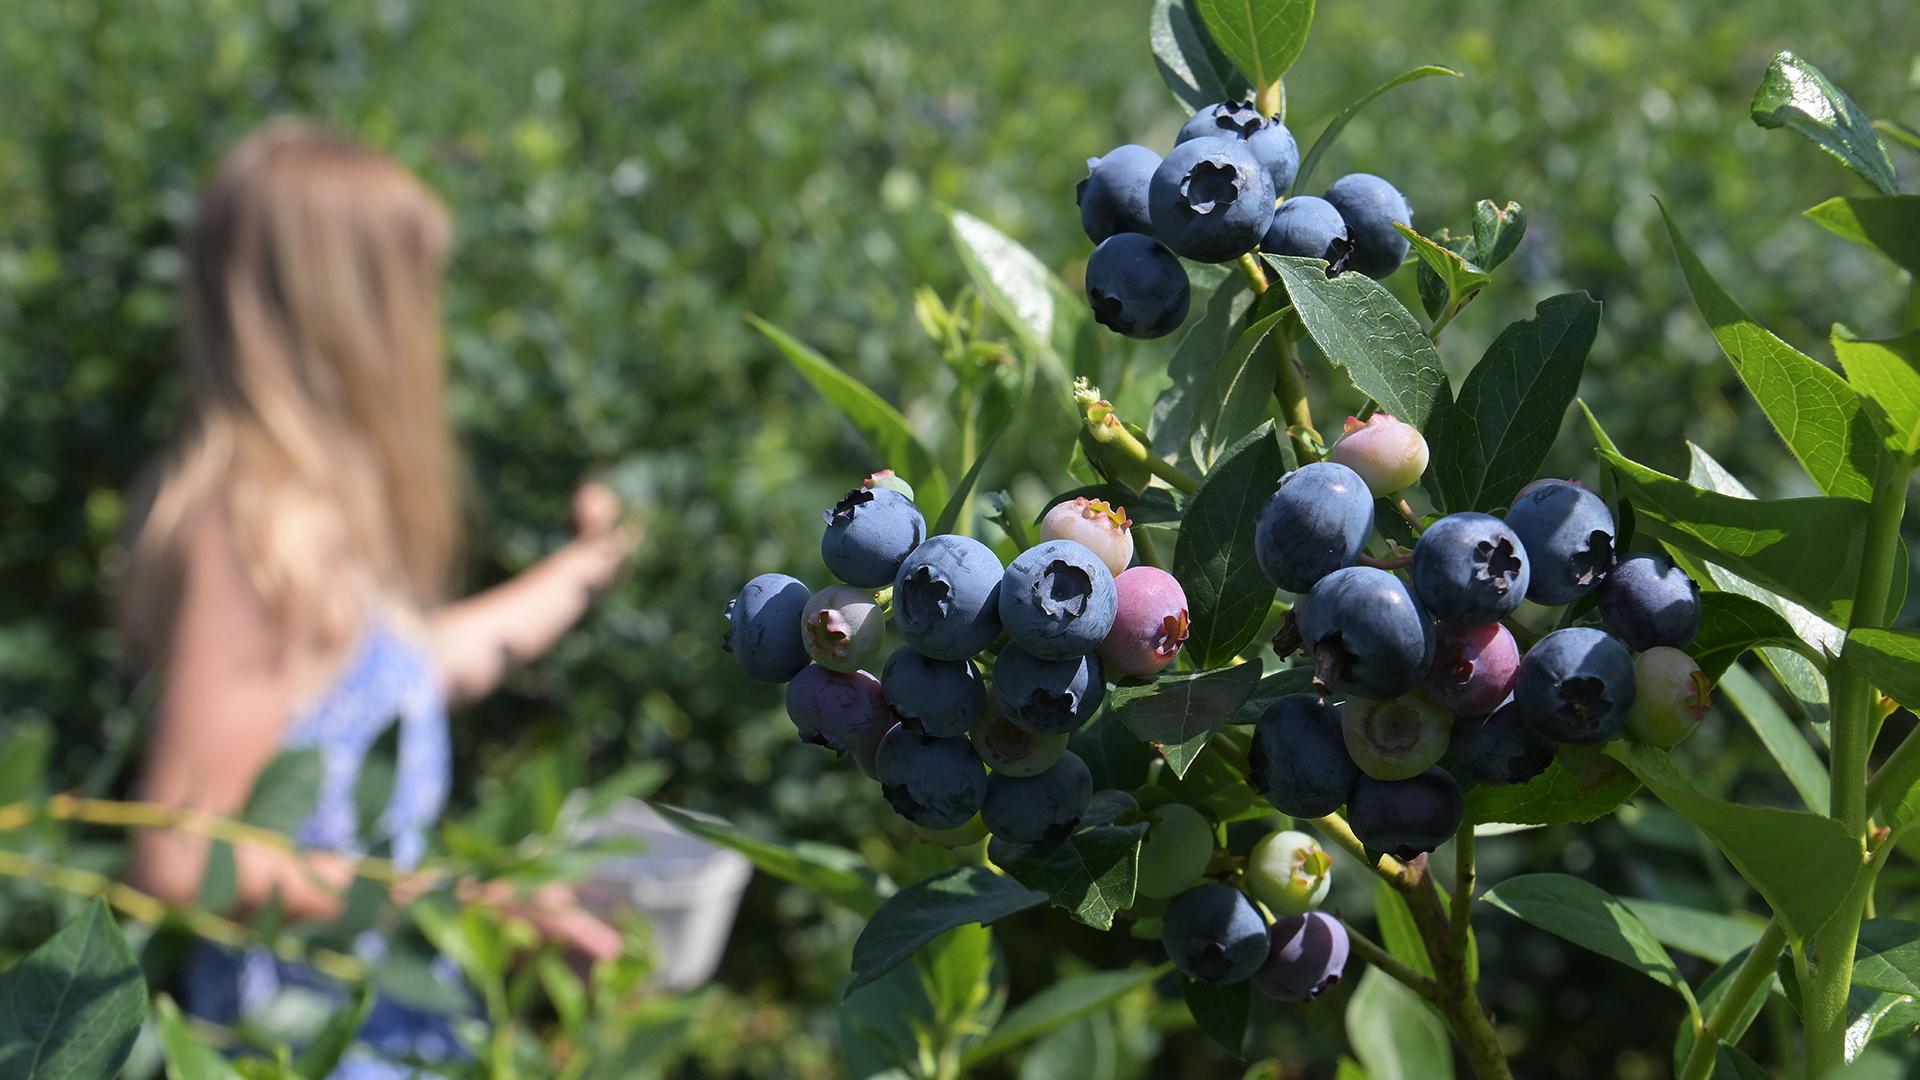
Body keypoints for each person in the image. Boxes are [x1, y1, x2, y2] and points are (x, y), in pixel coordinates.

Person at [118, 121, 638, 1074]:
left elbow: (406, 667)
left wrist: (590, 564)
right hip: (301, 1042)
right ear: (356, 314)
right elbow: (178, 859)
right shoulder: (259, 537)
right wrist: (457, 900)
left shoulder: (298, 520)